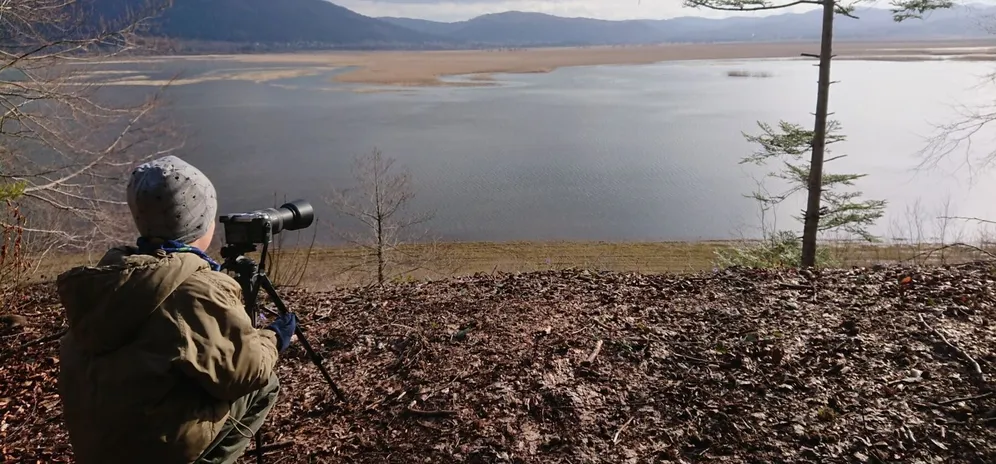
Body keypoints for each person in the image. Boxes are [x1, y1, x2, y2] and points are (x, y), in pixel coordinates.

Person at [55, 155, 299, 464]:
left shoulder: (109, 279)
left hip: (98, 448)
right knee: (265, 385)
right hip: (156, 451)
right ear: (200, 225)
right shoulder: (196, 290)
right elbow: (244, 373)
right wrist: (274, 338)